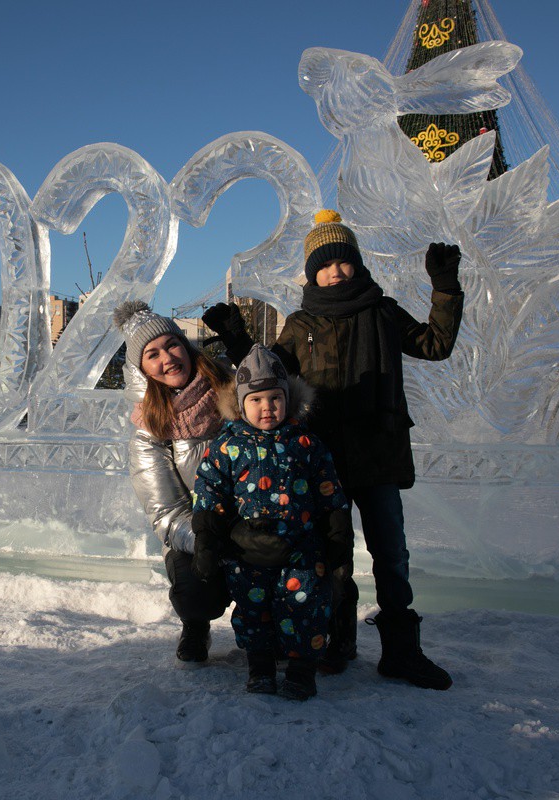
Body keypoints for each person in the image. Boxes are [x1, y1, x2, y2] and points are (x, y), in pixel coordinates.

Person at [202, 209, 462, 691]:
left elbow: (434, 344)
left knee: (391, 554)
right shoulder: (301, 324)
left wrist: (445, 288)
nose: (335, 272)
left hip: (379, 453)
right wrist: (236, 336)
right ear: (312, 272)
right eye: (325, 264)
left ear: (357, 265)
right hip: (321, 460)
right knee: (331, 554)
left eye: (343, 262)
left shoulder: (382, 312)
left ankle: (401, 651)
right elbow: (268, 372)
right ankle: (334, 641)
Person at [191, 345, 350, 700]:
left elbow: (329, 491)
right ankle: (260, 666)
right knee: (252, 609)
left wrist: (339, 536)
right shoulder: (227, 446)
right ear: (241, 404)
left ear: (288, 399)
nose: (267, 407)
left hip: (302, 548)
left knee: (306, 605)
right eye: (257, 399)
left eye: (275, 398)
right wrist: (207, 537)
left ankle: (301, 670)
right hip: (248, 550)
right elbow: (209, 492)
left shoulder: (306, 442)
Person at [116, 300, 233, 663]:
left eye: (171, 345)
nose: (166, 358)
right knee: (195, 592)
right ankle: (195, 624)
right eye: (152, 354)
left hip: (258, 518)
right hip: (199, 533)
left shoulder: (232, 391)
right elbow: (166, 513)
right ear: (143, 370)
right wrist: (212, 540)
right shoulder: (149, 430)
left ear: (186, 345)